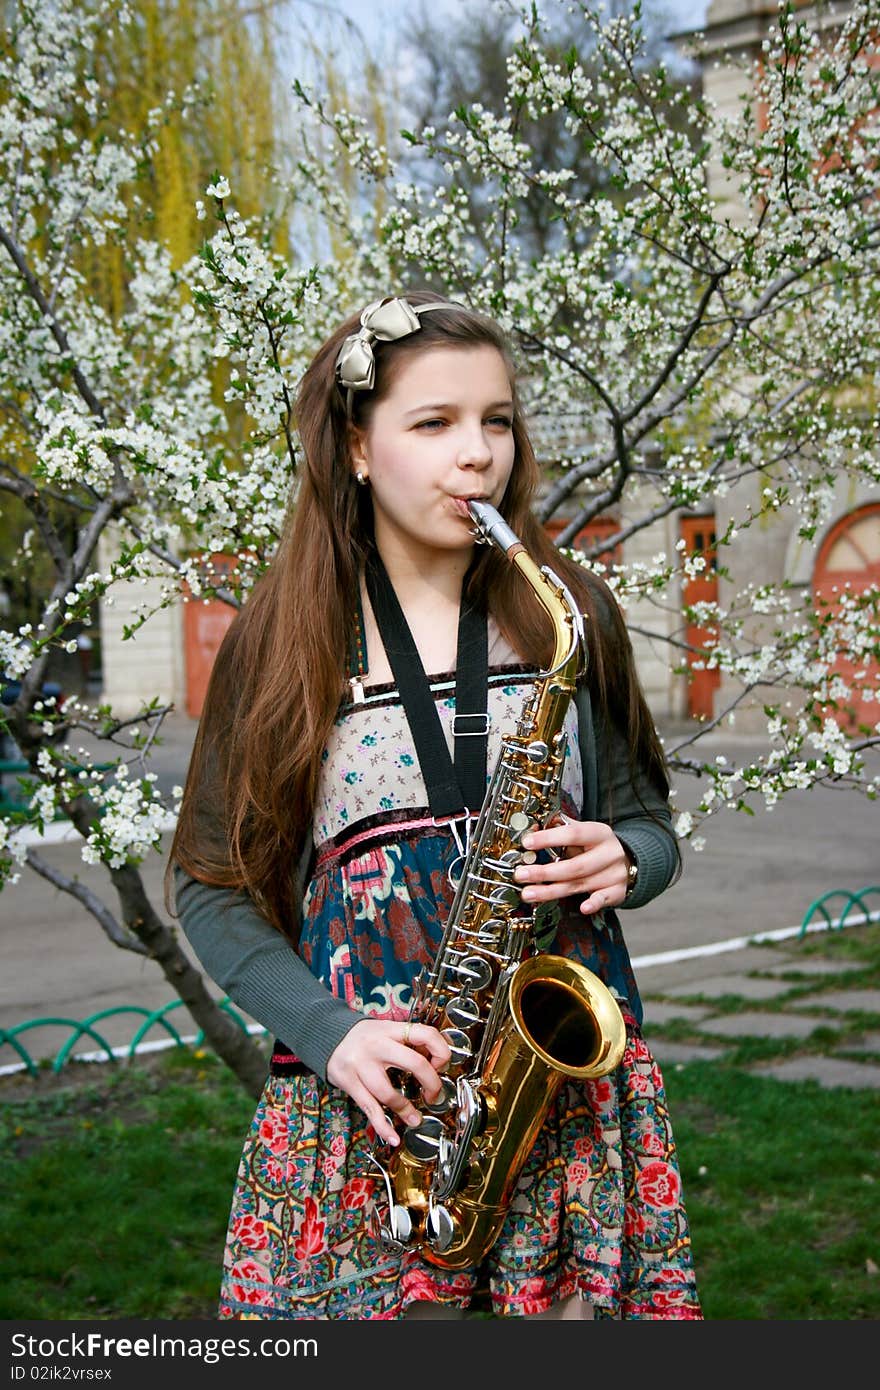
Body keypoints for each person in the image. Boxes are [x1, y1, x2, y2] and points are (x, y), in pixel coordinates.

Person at [168, 291, 702, 1321]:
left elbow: (647, 819)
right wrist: (331, 1034)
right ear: (358, 448)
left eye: (496, 420)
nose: (480, 455)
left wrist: (629, 858)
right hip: (369, 1106)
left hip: (568, 1106)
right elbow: (209, 890)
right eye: (435, 423)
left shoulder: (571, 612)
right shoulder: (280, 639)